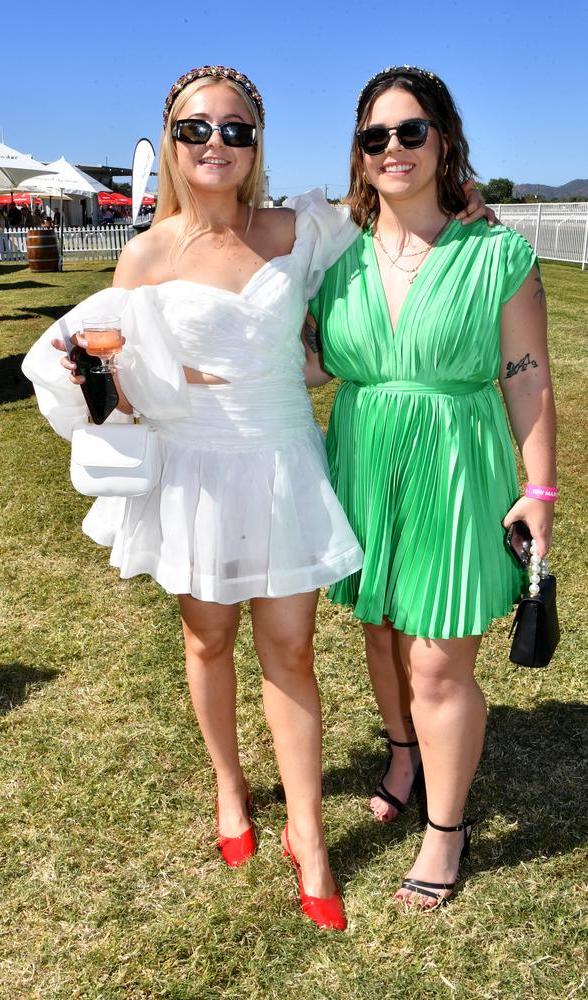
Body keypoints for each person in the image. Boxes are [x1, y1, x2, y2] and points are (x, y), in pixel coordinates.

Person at [22, 65, 491, 931]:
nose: (216, 146)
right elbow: (113, 380)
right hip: (193, 468)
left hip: (281, 461)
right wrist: (98, 376)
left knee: (292, 652)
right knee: (208, 642)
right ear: (172, 139)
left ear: (256, 142)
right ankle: (231, 788)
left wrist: (466, 207)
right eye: (198, 130)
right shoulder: (144, 254)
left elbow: (400, 227)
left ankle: (307, 835)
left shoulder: (300, 229)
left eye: (236, 130)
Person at [308, 66, 556, 908]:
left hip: (456, 459)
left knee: (438, 655)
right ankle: (403, 753)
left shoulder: (497, 252)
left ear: (443, 139)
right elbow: (304, 358)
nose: (393, 149)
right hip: (365, 454)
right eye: (376, 136)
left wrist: (541, 490)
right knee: (380, 631)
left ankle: (446, 831)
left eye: (411, 131)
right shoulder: (333, 250)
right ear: (360, 152)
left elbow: (527, 378)